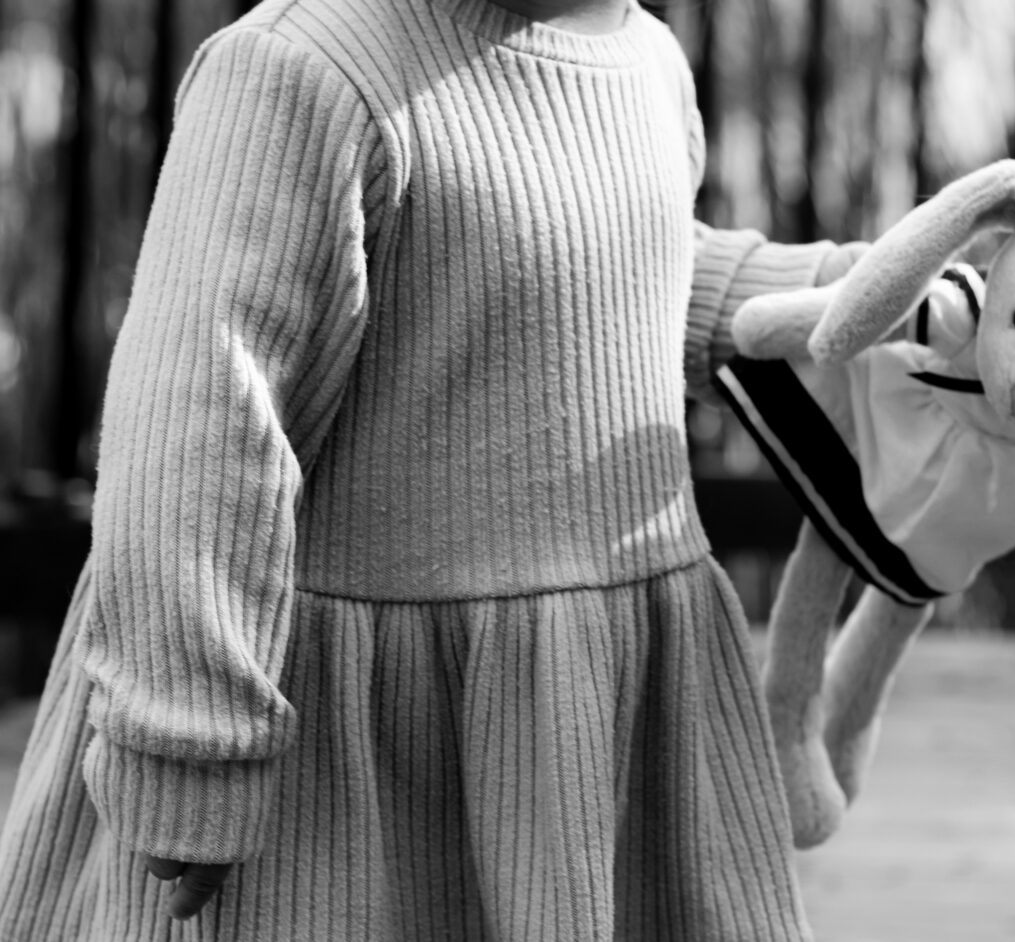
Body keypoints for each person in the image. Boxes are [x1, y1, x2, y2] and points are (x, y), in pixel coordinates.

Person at [0, 0, 870, 937]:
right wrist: (186, 733)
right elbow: (202, 412)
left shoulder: (647, 58)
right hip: (350, 758)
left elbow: (611, 257)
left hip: (589, 725)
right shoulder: (306, 69)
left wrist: (865, 297)